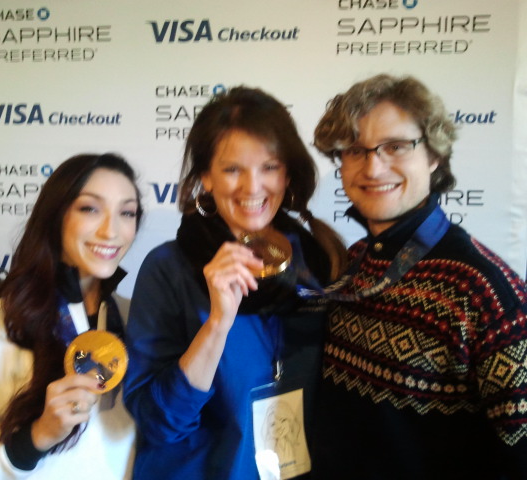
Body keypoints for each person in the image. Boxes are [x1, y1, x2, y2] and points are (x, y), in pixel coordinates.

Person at [123, 86, 346, 479]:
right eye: (231, 170)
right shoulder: (169, 269)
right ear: (206, 178)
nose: (252, 187)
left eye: (269, 167)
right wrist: (216, 325)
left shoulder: (317, 264)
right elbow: (159, 425)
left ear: (288, 173)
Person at [312, 74, 527, 479]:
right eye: (355, 150)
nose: (373, 167)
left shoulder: (487, 293)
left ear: (434, 155)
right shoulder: (351, 264)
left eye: (395, 146)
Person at [0, 153, 142, 480]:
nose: (112, 231)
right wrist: (38, 436)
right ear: (55, 216)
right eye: (90, 208)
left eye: (127, 212)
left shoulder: (136, 317)